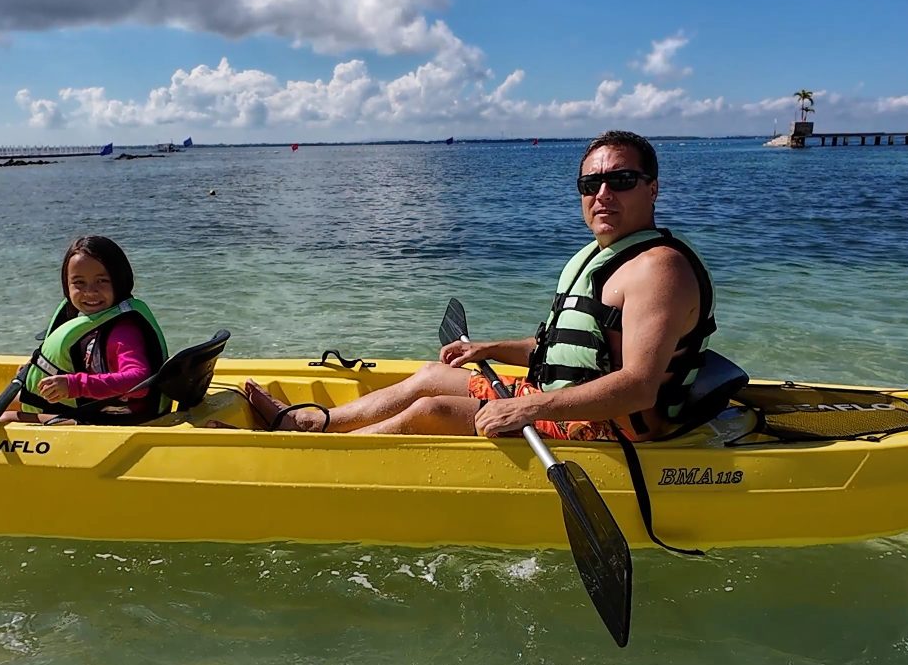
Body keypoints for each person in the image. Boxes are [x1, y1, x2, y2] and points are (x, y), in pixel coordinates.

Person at [242, 130, 715, 441]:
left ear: (652, 188)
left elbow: (638, 388)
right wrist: (489, 348)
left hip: (606, 426)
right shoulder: (601, 256)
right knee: (431, 376)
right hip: (558, 398)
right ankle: (307, 422)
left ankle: (323, 457)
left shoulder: (659, 270)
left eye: (621, 180)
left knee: (430, 410)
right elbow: (570, 351)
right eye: (590, 184)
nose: (602, 194)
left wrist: (526, 411)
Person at [0, 235, 167, 425]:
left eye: (102, 281)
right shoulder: (99, 320)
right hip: (100, 406)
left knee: (7, 419)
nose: (90, 292)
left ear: (120, 281)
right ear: (66, 285)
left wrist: (74, 384)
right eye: (79, 283)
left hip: (120, 419)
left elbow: (139, 382)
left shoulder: (123, 331)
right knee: (35, 395)